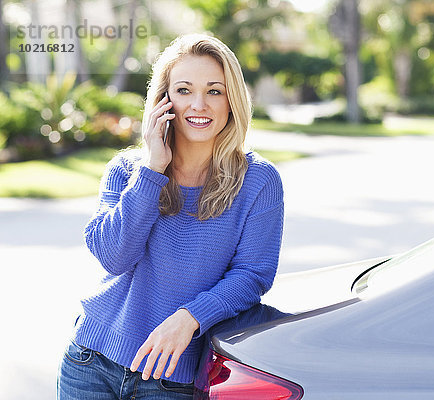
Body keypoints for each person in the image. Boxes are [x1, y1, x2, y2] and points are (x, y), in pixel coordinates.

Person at [57, 33, 284, 399]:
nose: (199, 104)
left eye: (214, 91)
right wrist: (153, 169)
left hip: (171, 380)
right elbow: (114, 258)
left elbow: (252, 275)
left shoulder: (258, 181)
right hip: (90, 363)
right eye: (183, 90)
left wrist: (190, 318)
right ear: (163, 101)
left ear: (232, 101)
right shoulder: (128, 170)